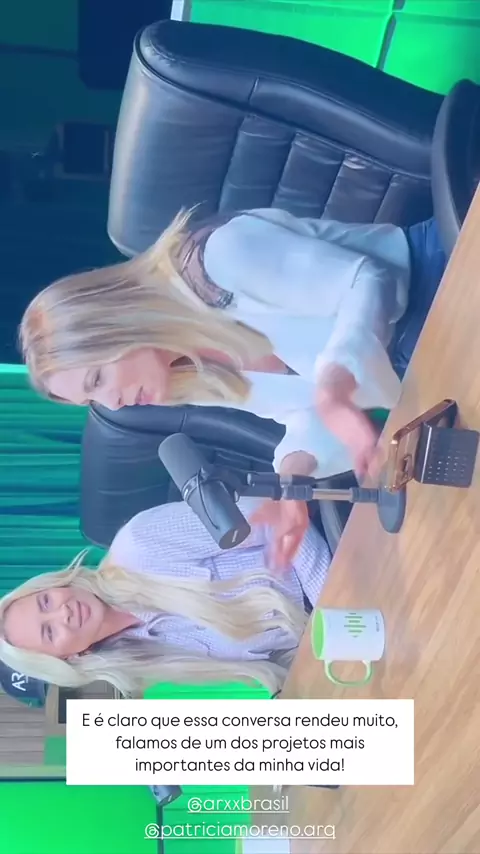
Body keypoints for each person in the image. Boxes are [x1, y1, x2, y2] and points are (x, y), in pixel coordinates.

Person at [19, 208, 446, 566]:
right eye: (90, 399)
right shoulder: (187, 374)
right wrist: (291, 485)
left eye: (97, 379)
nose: (111, 403)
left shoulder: (222, 258)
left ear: (117, 322)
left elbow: (367, 280)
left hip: (443, 282)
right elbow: (299, 411)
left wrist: (337, 381)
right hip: (424, 376)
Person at [0, 499, 330, 696]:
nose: (63, 613)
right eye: (50, 631)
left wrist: (332, 607)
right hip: (331, 635)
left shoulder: (139, 545)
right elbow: (271, 663)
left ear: (55, 584)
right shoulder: (145, 661)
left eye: (45, 602)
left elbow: (277, 516)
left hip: (337, 558)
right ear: (69, 658)